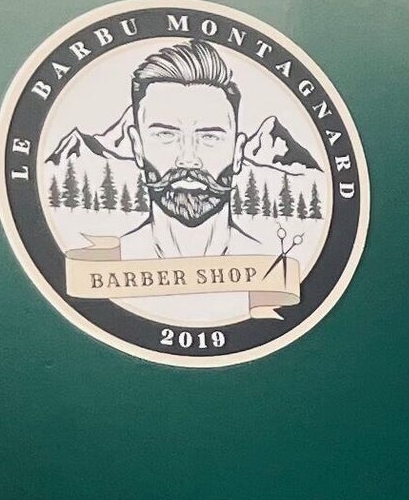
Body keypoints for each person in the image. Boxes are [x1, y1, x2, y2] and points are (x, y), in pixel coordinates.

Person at [108, 39, 315, 328]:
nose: (189, 160)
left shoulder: (269, 262)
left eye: (210, 137)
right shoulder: (109, 265)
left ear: (238, 151)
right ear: (137, 147)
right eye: (166, 135)